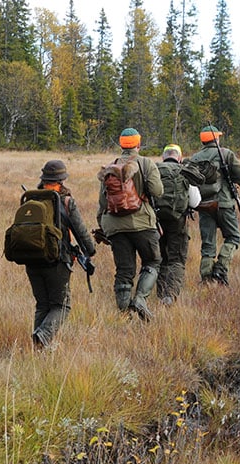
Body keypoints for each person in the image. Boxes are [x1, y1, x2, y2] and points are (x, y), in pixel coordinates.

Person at [25, 160, 96, 347]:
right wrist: (91, 251)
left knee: (42, 305)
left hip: (31, 260)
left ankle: (39, 348)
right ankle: (43, 337)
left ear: (44, 179)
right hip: (56, 261)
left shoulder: (31, 199)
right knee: (62, 306)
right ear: (62, 180)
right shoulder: (65, 202)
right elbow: (81, 232)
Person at [96, 127, 163, 321]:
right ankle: (140, 299)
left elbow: (103, 201)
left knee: (124, 270)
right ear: (138, 144)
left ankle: (124, 314)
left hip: (115, 226)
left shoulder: (110, 168)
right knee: (152, 261)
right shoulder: (146, 164)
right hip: (143, 223)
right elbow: (157, 191)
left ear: (121, 144)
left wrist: (102, 224)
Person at [188, 126, 240, 285]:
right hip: (224, 203)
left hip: (204, 205)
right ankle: (220, 269)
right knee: (233, 237)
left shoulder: (194, 158)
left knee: (208, 243)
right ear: (216, 138)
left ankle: (206, 277)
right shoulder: (225, 154)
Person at [154, 144, 198, 305]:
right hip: (178, 221)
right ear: (179, 157)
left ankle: (160, 293)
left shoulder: (155, 170)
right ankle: (170, 295)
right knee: (176, 259)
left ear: (163, 157)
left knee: (160, 258)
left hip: (156, 221)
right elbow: (195, 201)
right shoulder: (184, 172)